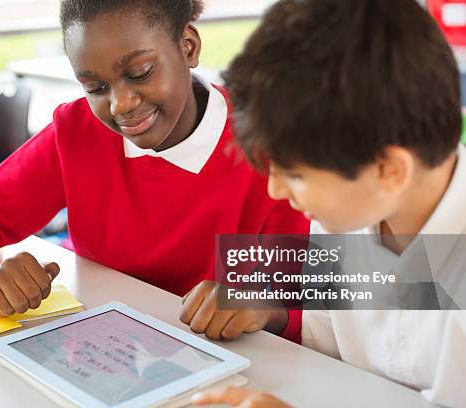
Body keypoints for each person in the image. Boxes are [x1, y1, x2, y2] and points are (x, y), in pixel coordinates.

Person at [0, 0, 309, 344]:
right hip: (100, 349)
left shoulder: (268, 145)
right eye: (95, 87)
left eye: (141, 72)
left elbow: (326, 291)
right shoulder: (77, 131)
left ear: (188, 47)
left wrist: (261, 305)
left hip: (232, 366)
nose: (120, 104)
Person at [193, 0, 466, 406]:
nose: (275, 191)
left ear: (390, 170)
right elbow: (326, 347)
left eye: (297, 175)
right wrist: (269, 308)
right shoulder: (348, 210)